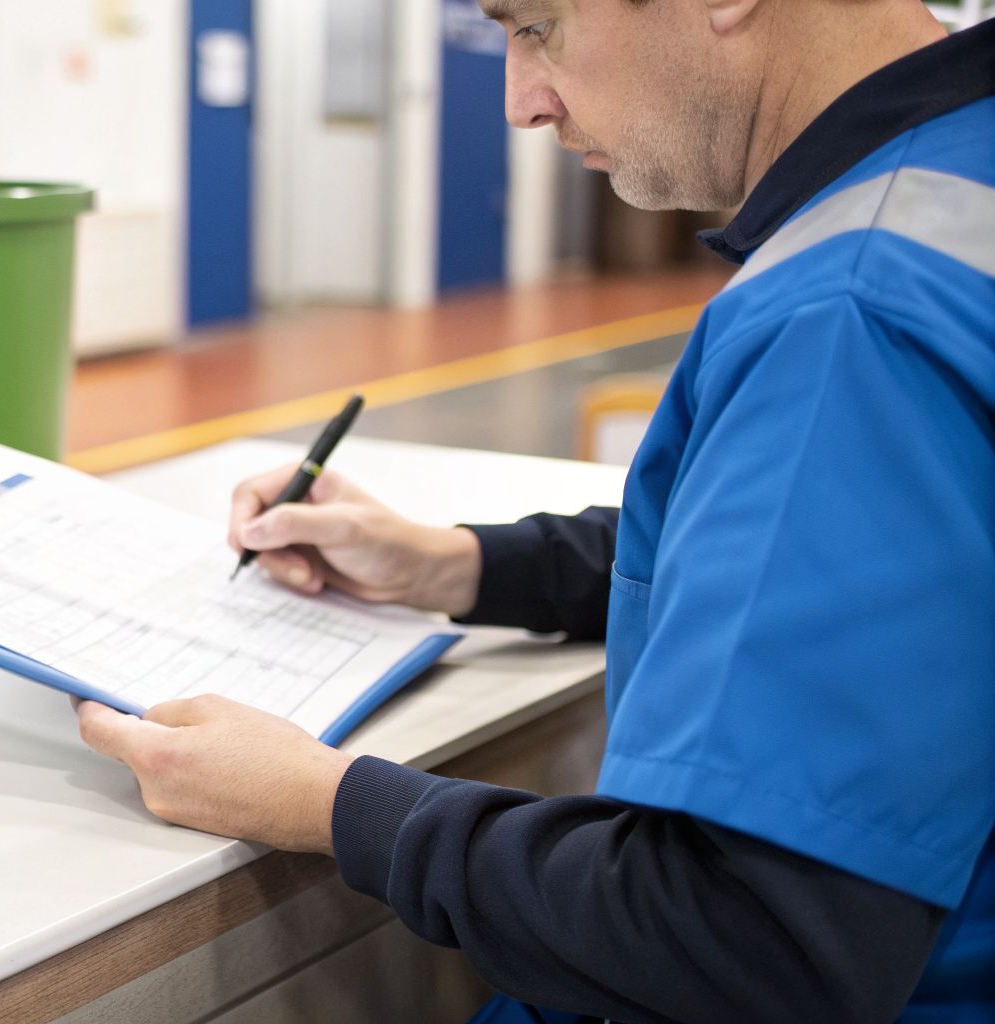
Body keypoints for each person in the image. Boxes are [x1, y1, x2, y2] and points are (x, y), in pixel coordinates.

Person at [76, 0, 994, 1019]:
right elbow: (878, 574)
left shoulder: (848, 314)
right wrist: (457, 566)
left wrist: (326, 799)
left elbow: (748, 937)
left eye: (536, 27)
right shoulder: (955, 174)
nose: (519, 104)